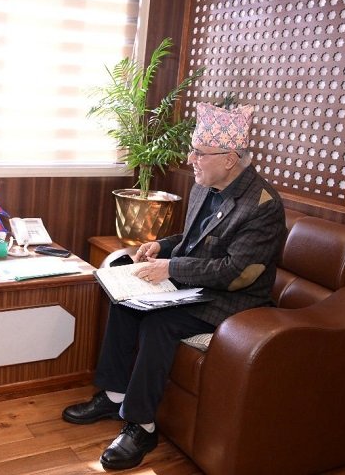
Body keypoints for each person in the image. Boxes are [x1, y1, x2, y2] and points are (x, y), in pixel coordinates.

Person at [62, 102, 286, 470]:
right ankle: (115, 395)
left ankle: (141, 426)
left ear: (230, 159)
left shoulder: (262, 205)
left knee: (159, 322)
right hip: (195, 283)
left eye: (200, 152)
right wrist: (161, 247)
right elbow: (195, 238)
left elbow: (237, 273)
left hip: (232, 300)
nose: (191, 159)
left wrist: (171, 267)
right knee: (124, 297)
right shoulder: (205, 185)